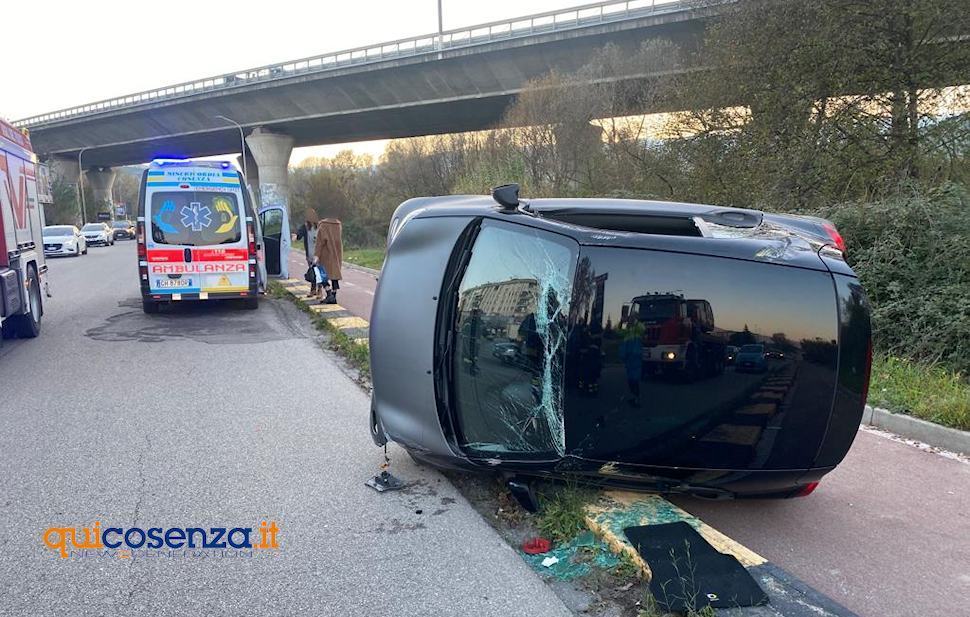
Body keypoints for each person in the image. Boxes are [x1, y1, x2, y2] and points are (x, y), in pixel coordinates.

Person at [314, 216, 343, 304]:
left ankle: (329, 293)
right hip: (337, 253)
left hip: (325, 254)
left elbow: (320, 242)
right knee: (335, 274)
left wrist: (316, 255)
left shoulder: (323, 225)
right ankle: (333, 296)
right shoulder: (338, 224)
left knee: (322, 274)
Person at [295, 209, 319, 297]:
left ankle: (319, 290)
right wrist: (296, 236)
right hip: (310, 253)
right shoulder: (305, 227)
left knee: (318, 271)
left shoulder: (319, 227)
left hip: (318, 253)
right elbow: (299, 235)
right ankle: (313, 290)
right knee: (312, 271)